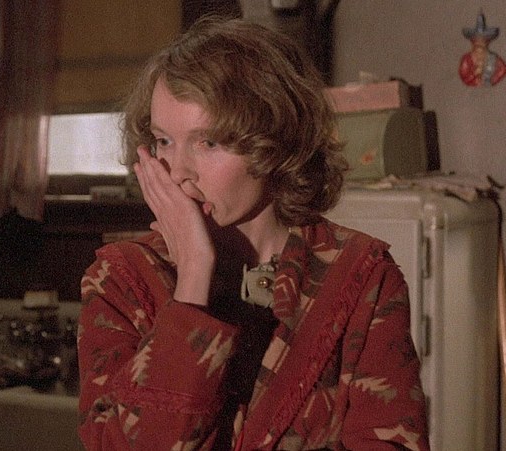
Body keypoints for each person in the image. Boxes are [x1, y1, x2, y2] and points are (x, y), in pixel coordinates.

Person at [77, 17, 429, 450]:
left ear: (275, 144)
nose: (179, 172)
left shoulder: (363, 276)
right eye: (164, 141)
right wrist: (193, 276)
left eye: (208, 143)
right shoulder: (120, 279)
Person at [459, 12, 506, 87]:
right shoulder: (467, 59)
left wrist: (492, 80)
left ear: (487, 43)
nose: (480, 45)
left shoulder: (493, 57)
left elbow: (503, 69)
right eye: (477, 42)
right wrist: (475, 74)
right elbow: (464, 75)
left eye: (482, 42)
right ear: (473, 43)